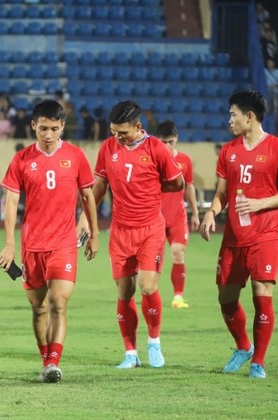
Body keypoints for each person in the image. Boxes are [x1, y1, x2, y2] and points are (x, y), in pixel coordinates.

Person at [199, 90, 278, 379]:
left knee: (261, 295)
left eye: (233, 114)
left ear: (250, 116)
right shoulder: (228, 150)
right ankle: (243, 346)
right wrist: (211, 211)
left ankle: (259, 362)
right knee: (226, 298)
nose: (229, 120)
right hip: (233, 237)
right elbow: (222, 192)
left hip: (265, 235)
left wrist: (260, 203)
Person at [0, 99, 98, 383]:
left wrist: (94, 234)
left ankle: (53, 362)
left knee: (58, 302)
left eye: (54, 128)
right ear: (33, 126)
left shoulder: (75, 156)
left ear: (63, 126)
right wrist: (9, 243)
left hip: (64, 243)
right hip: (32, 245)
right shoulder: (21, 159)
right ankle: (45, 360)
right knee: (39, 307)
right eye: (43, 128)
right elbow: (11, 202)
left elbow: (87, 196)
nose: (49, 134)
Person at [84, 100, 183, 369]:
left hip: (150, 228)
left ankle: (154, 342)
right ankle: (130, 353)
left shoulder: (156, 148)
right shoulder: (108, 147)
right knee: (124, 291)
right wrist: (85, 218)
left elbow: (177, 182)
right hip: (120, 230)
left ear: (138, 127)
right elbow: (100, 185)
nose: (118, 137)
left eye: (123, 133)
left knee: (147, 286)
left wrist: (152, 187)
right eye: (114, 132)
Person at [156, 121, 200, 309]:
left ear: (176, 139)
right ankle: (151, 294)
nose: (167, 146)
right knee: (153, 259)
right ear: (157, 140)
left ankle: (178, 297)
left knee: (177, 252)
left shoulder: (184, 160)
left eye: (171, 142)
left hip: (177, 217)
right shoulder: (151, 160)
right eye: (164, 142)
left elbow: (189, 187)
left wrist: (195, 213)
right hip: (155, 217)